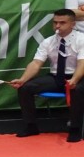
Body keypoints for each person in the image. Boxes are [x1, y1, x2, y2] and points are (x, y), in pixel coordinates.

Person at [9, 9, 84, 143]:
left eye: (62, 23)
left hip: (79, 76)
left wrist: (74, 79)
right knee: (25, 87)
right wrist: (22, 79)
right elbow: (36, 63)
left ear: (72, 24)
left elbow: (82, 63)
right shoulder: (48, 41)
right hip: (57, 77)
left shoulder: (81, 39)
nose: (57, 26)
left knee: (77, 90)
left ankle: (75, 128)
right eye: (55, 22)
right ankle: (31, 126)